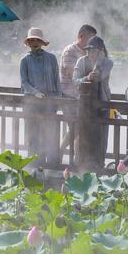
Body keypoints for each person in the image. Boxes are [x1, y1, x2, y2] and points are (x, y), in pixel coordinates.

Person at [20, 27, 61, 166]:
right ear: (28, 43)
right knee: (33, 137)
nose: (34, 42)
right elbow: (24, 82)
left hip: (49, 104)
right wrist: (34, 92)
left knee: (50, 136)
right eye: (31, 40)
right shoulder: (24, 60)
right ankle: (33, 166)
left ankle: (52, 166)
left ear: (42, 42)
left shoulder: (51, 58)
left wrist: (57, 101)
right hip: (31, 104)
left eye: (37, 40)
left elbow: (57, 80)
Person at [73, 35, 114, 166]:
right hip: (84, 106)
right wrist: (86, 78)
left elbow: (99, 76)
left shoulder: (107, 62)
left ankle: (99, 165)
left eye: (94, 50)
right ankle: (81, 165)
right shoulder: (81, 61)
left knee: (101, 138)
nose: (91, 53)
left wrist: (99, 60)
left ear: (101, 51)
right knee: (83, 136)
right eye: (89, 50)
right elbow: (75, 80)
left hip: (102, 105)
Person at [60, 24, 97, 150]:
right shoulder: (70, 50)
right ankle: (60, 151)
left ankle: (77, 160)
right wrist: (87, 76)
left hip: (82, 97)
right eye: (90, 39)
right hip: (69, 96)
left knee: (82, 129)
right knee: (76, 127)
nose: (91, 43)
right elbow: (70, 74)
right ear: (82, 36)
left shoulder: (87, 52)